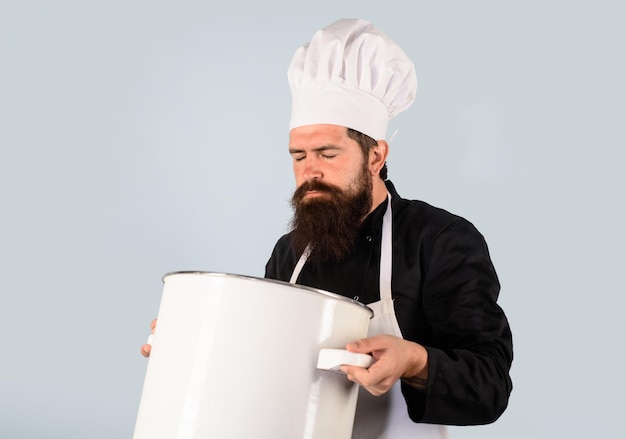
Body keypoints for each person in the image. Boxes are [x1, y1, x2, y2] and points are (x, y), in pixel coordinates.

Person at [142, 18, 513, 439]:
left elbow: (491, 385)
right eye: (298, 156)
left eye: (326, 153)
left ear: (376, 155)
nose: (310, 171)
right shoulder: (290, 252)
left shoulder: (440, 240)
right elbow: (264, 366)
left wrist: (413, 360)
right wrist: (194, 348)